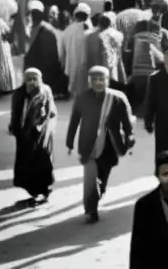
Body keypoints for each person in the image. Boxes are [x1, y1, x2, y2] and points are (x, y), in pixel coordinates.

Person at [66, 65, 135, 223]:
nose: (98, 82)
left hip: (110, 145)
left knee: (102, 176)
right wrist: (69, 142)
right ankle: (91, 210)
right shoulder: (82, 97)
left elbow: (127, 120)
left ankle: (99, 191)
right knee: (90, 178)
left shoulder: (118, 98)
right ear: (89, 81)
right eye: (94, 79)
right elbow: (74, 121)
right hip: (88, 145)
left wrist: (130, 136)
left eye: (101, 79)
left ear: (107, 80)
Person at [8, 67, 57, 207]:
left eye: (35, 78)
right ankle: (34, 192)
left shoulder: (45, 90)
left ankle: (45, 190)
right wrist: (15, 128)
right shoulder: (19, 93)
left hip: (43, 135)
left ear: (40, 79)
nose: (32, 81)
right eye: (28, 78)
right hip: (25, 136)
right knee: (27, 162)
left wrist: (44, 122)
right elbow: (15, 114)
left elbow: (51, 111)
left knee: (43, 160)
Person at [24, 1, 66, 97]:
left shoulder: (47, 30)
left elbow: (51, 51)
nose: (33, 17)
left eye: (35, 14)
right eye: (32, 14)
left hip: (45, 63)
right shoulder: (31, 27)